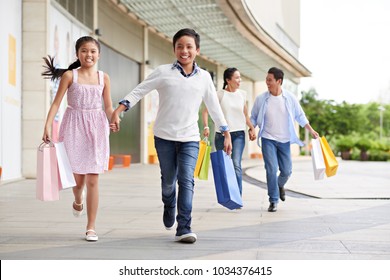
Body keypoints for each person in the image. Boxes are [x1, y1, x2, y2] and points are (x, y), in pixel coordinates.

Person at [110, 28, 232, 244]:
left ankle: (184, 227)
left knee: (186, 180)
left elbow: (214, 106)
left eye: (189, 47)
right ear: (174, 49)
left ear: (197, 50)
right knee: (168, 182)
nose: (184, 51)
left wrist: (225, 131)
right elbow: (139, 90)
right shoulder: (163, 71)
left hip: (190, 138)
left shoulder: (204, 77)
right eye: (180, 46)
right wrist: (119, 110)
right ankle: (169, 203)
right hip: (164, 137)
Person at [42, 36, 113, 241]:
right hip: (73, 126)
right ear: (77, 54)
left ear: (98, 54)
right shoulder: (69, 76)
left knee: (93, 178)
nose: (88, 54)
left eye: (92, 51)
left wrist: (113, 118)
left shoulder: (104, 78)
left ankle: (91, 227)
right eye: (84, 50)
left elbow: (107, 106)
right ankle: (77, 198)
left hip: (97, 127)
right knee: (77, 178)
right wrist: (47, 125)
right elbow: (56, 104)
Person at [250, 67, 318, 212]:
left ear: (279, 81)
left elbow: (300, 116)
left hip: (285, 140)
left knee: (287, 171)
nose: (267, 82)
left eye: (270, 80)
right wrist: (251, 128)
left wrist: (311, 130)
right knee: (271, 169)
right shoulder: (261, 99)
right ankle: (273, 200)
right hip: (268, 138)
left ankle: (280, 185)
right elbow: (254, 117)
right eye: (266, 79)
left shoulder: (290, 98)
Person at [202, 67, 256, 198]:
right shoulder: (219, 94)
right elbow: (205, 111)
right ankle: (227, 194)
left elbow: (245, 115)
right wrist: (206, 127)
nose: (239, 80)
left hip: (238, 134)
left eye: (240, 78)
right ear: (228, 80)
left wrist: (251, 128)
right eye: (237, 78)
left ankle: (237, 196)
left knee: (236, 163)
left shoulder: (242, 94)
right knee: (224, 165)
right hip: (221, 135)